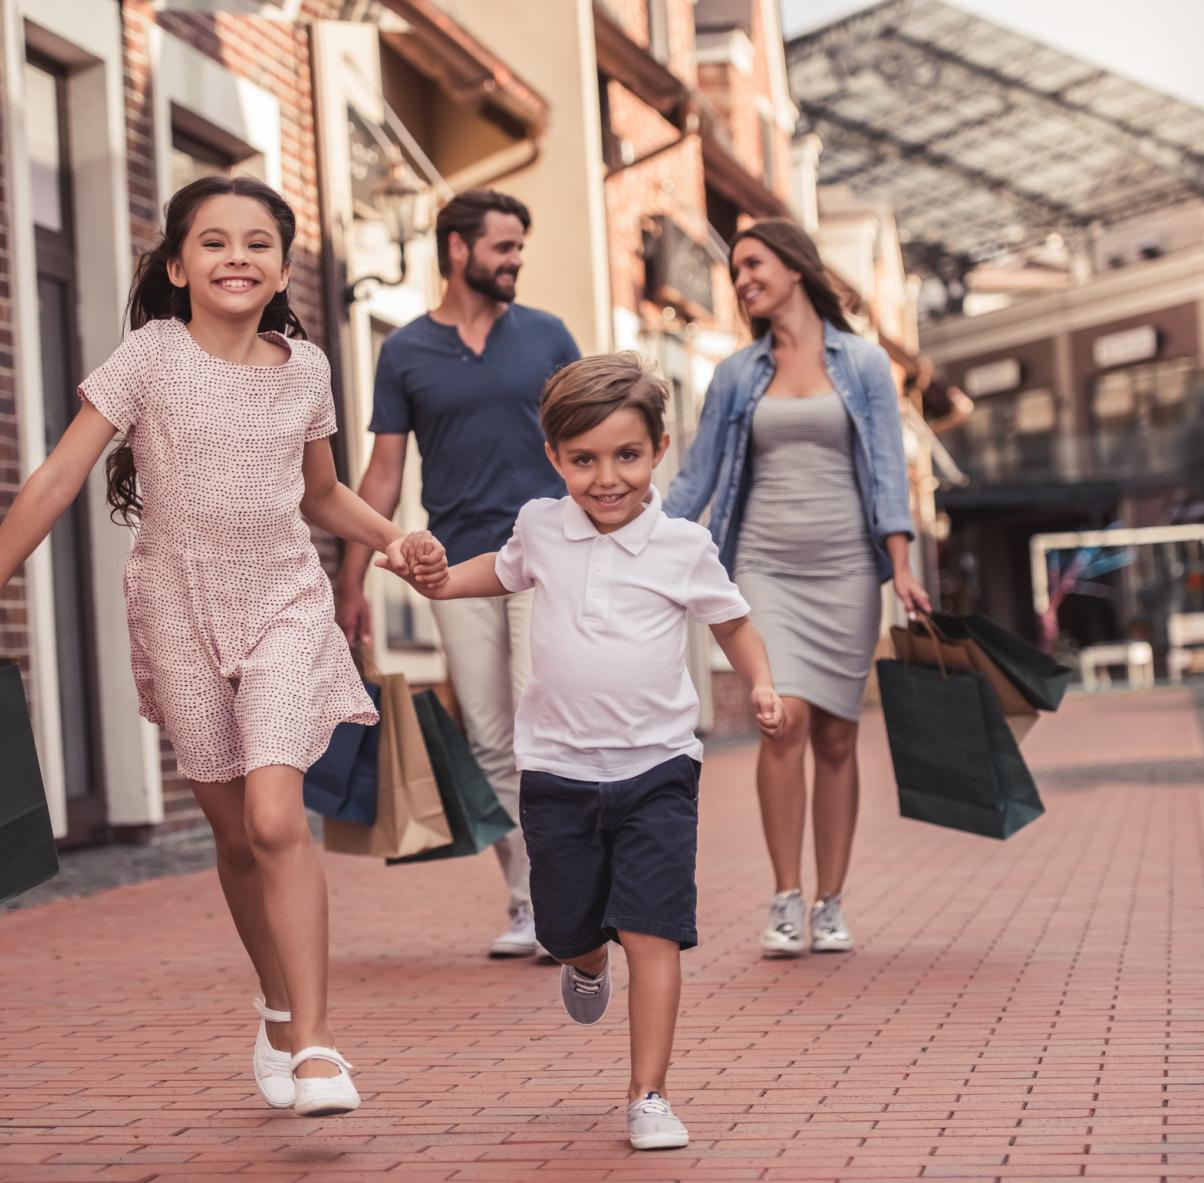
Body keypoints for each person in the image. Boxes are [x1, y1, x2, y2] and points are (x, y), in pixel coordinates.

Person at [0, 175, 444, 1117]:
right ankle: (280, 1008)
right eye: (213, 242)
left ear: (284, 266)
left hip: (285, 602)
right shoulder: (151, 356)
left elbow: (322, 495)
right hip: (177, 609)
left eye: (258, 242)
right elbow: (56, 477)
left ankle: (321, 1047)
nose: (237, 257)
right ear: (178, 265)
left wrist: (393, 541)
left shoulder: (310, 369)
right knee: (237, 834)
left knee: (279, 814)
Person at [383, 354, 786, 1150]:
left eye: (626, 455)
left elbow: (732, 621)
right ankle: (584, 960)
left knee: (654, 929)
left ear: (658, 449)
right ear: (555, 458)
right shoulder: (539, 525)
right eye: (585, 459)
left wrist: (763, 684)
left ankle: (649, 1094)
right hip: (558, 771)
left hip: (659, 767)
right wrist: (435, 582)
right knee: (567, 927)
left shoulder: (681, 546)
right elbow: (495, 574)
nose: (607, 478)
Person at [662, 217, 932, 959]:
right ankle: (786, 897)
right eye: (737, 269)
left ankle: (831, 900)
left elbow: (886, 470)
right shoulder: (736, 373)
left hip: (847, 569)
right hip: (765, 568)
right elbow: (697, 477)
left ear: (795, 267)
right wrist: (640, 540)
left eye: (754, 264)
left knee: (839, 736)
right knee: (783, 721)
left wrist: (901, 565)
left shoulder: (866, 364)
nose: (743, 278)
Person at [335, 189, 582, 959]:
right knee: (488, 733)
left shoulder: (547, 338)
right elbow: (381, 474)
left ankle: (564, 892)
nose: (515, 261)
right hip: (456, 567)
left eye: (518, 248)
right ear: (457, 249)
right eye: (503, 247)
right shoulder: (404, 350)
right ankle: (528, 898)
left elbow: (590, 437)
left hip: (545, 557)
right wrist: (353, 580)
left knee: (541, 725)